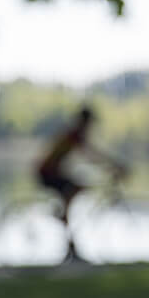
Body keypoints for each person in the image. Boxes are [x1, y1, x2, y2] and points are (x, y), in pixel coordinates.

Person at [36, 104, 127, 261]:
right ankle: (63, 216)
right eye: (90, 123)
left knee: (79, 188)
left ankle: (70, 244)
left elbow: (90, 155)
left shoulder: (74, 134)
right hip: (47, 173)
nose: (90, 126)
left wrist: (110, 165)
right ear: (84, 122)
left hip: (54, 172)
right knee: (74, 190)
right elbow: (91, 155)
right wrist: (114, 165)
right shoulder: (74, 135)